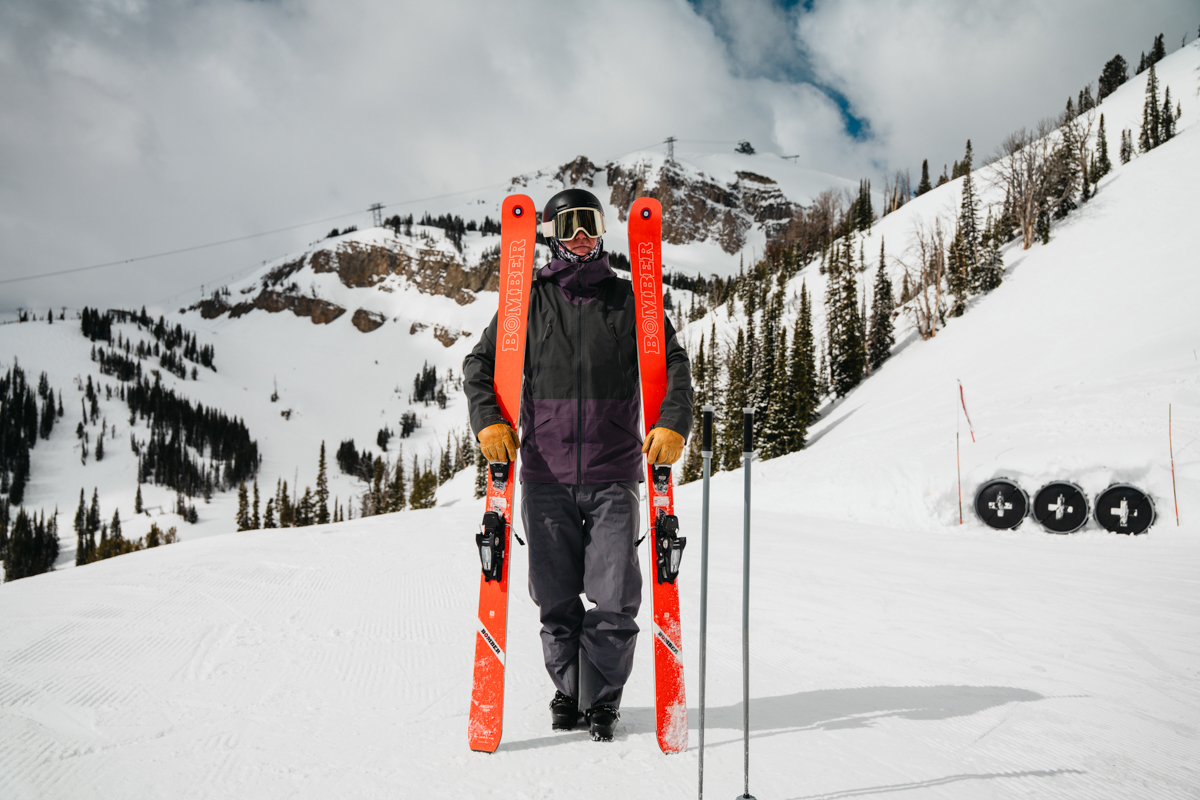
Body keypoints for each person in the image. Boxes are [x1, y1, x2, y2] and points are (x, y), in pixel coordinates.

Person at [463, 188, 693, 742]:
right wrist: (488, 420)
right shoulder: (527, 304)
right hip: (544, 475)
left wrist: (672, 421)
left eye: (589, 223)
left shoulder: (628, 301)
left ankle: (600, 697)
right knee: (555, 598)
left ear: (601, 231)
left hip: (614, 474)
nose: (582, 235)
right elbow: (479, 363)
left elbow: (674, 363)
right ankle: (571, 690)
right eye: (570, 225)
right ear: (553, 234)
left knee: (615, 597)